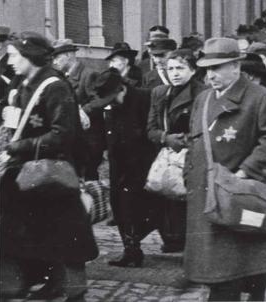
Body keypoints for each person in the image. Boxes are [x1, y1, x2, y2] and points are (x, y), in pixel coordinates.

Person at [182, 38, 266, 301]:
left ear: (236, 66)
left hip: (240, 196)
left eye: (217, 68)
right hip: (206, 196)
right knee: (218, 271)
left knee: (249, 270)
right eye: (207, 69)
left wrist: (243, 173)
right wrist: (188, 173)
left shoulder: (261, 98)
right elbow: (194, 139)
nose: (211, 75)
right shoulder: (204, 99)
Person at [0, 32, 98, 300]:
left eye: (14, 56)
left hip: (51, 173)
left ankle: (74, 289)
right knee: (38, 231)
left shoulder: (55, 86)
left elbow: (63, 134)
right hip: (26, 173)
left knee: (65, 234)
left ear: (30, 56)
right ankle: (43, 283)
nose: (10, 62)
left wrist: (19, 147)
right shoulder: (22, 83)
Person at [93, 68, 159, 267]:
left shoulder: (144, 98)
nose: (111, 103)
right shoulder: (110, 104)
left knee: (142, 208)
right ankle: (131, 250)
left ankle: (137, 244)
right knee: (120, 206)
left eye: (113, 98)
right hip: (118, 163)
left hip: (142, 164)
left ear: (122, 88)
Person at [146, 49, 206, 253]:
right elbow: (150, 128)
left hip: (194, 155)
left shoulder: (203, 93)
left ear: (193, 69)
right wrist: (165, 138)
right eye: (170, 69)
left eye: (180, 68)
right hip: (169, 154)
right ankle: (173, 239)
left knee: (190, 202)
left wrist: (185, 140)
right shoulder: (161, 93)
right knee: (167, 197)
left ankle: (192, 246)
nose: (175, 73)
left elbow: (205, 127)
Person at [51, 39, 103, 180]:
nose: (54, 62)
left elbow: (99, 101)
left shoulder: (89, 75)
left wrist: (82, 111)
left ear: (68, 55)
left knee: (89, 179)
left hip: (89, 140)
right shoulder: (61, 78)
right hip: (74, 139)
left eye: (57, 57)